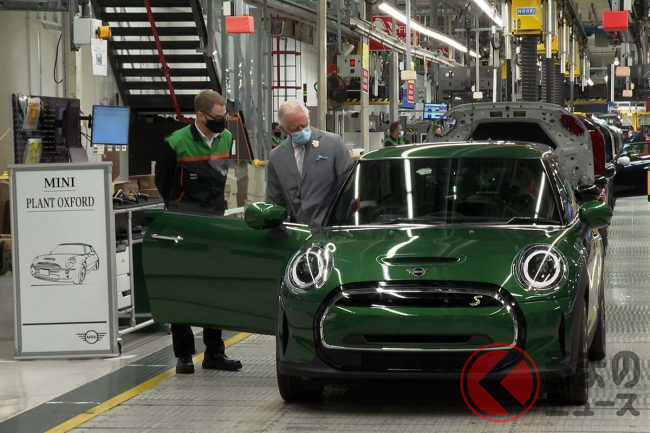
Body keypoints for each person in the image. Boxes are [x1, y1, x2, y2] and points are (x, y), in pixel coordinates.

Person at [154, 89, 242, 374]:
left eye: (225, 115)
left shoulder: (226, 138)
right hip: (183, 225)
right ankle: (184, 355)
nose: (223, 121)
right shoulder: (174, 143)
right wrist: (182, 210)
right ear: (200, 116)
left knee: (214, 288)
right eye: (218, 117)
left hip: (214, 224)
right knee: (181, 287)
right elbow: (163, 184)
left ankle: (214, 352)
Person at [266, 100, 355, 229]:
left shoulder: (333, 144)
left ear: (309, 119)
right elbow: (274, 201)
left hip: (331, 230)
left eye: (303, 125)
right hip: (298, 232)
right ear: (284, 129)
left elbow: (350, 187)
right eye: (295, 129)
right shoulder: (276, 156)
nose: (301, 131)